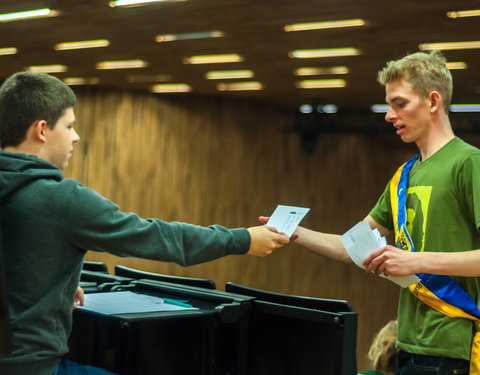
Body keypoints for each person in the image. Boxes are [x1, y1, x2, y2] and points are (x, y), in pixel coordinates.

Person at [0, 71, 290, 375]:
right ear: (42, 130)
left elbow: (20, 254)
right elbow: (157, 237)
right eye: (70, 126)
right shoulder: (61, 199)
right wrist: (242, 239)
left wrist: (56, 284)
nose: (76, 136)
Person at [261, 50, 480, 374]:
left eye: (399, 103)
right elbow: (350, 246)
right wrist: (295, 233)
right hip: (407, 347)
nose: (389, 115)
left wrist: (414, 261)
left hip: (454, 348)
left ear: (433, 101)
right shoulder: (403, 176)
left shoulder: (468, 162)